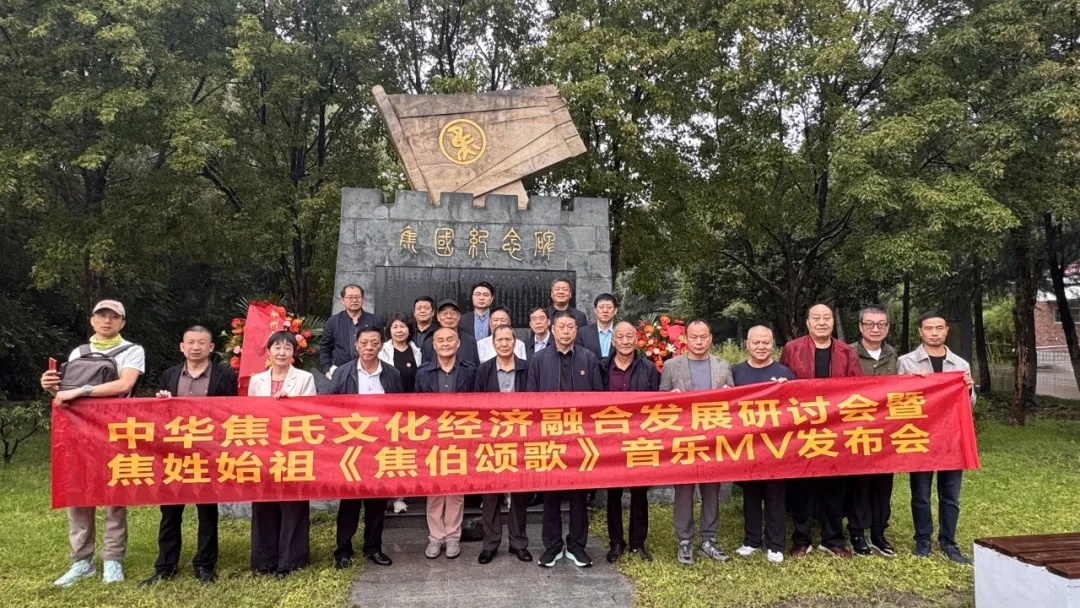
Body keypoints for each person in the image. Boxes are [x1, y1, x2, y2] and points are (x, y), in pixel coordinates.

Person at [41, 300, 145, 587]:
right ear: (92, 320)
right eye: (102, 316)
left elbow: (123, 385)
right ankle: (81, 561)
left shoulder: (132, 350)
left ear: (122, 323)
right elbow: (64, 395)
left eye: (114, 317)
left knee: (114, 494)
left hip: (115, 430)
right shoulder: (79, 353)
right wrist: (51, 387)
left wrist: (80, 390)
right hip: (78, 431)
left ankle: (113, 559)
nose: (107, 321)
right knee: (78, 493)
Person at [139, 326, 238, 587]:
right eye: (191, 342)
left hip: (209, 453)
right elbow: (160, 418)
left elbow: (234, 413)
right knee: (170, 512)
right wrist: (162, 403)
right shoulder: (170, 375)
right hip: (174, 453)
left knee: (207, 511)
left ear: (211, 347)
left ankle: (205, 565)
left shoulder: (226, 376)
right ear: (182, 347)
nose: (196, 347)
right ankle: (165, 566)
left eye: (201, 343)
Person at [779, 304, 862, 559]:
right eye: (816, 318)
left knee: (835, 486)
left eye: (827, 318)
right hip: (802, 428)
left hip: (836, 428)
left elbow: (859, 388)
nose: (822, 322)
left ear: (832, 323)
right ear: (808, 323)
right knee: (802, 486)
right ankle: (801, 539)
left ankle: (833, 539)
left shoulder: (847, 352)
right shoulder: (792, 349)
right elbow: (782, 384)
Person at [898, 311, 976, 565]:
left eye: (939, 328)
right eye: (929, 328)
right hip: (920, 437)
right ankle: (922, 540)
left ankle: (948, 541)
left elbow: (968, 406)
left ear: (946, 331)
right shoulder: (907, 363)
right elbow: (897, 402)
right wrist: (913, 385)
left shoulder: (960, 365)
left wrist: (968, 390)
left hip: (952, 438)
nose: (934, 333)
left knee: (950, 493)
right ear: (920, 332)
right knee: (920, 492)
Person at [526, 310, 604, 568]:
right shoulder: (539, 359)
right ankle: (552, 546)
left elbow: (598, 398)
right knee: (550, 493)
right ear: (553, 329)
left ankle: (577, 546)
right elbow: (531, 398)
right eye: (562, 327)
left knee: (579, 494)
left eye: (571, 327)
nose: (566, 331)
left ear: (576, 330)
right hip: (549, 435)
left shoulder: (588, 358)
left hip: (580, 436)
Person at [659, 319, 734, 565]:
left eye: (703, 337)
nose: (699, 341)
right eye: (694, 337)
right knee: (684, 490)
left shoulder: (722, 366)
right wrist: (670, 399)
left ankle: (709, 539)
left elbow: (734, 403)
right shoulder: (671, 366)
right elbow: (660, 403)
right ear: (686, 339)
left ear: (710, 338)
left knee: (712, 489)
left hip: (713, 440)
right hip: (683, 440)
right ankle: (684, 540)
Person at [329, 325, 401, 569]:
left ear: (381, 345)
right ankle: (343, 550)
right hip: (351, 447)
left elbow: (399, 409)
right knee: (350, 501)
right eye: (364, 343)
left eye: (374, 343)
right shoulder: (342, 373)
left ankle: (373, 548)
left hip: (381, 446)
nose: (369, 347)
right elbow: (330, 409)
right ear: (356, 345)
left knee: (377, 502)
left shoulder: (392, 374)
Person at [247, 331, 317, 578]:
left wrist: (291, 403)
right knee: (264, 502)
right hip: (265, 449)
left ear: (293, 353)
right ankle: (264, 560)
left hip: (293, 449)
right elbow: (250, 415)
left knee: (292, 504)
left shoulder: (305, 378)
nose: (282, 352)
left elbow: (312, 412)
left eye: (287, 347)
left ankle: (291, 560)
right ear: (269, 352)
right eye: (277, 347)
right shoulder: (256, 381)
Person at [730, 326, 794, 565]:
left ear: (773, 345)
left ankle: (775, 545)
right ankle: (752, 540)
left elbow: (795, 406)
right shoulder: (736, 372)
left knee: (776, 495)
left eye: (766, 342)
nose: (761, 347)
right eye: (756, 342)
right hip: (747, 444)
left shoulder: (784, 373)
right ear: (747, 344)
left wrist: (786, 389)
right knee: (751, 493)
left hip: (776, 445)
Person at [415, 326, 478, 560]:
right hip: (433, 438)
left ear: (458, 343)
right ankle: (435, 537)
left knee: (455, 490)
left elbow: (478, 405)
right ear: (433, 345)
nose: (445, 343)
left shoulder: (470, 371)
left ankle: (452, 536)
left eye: (450, 339)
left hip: (461, 437)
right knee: (434, 490)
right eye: (440, 340)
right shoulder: (423, 373)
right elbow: (416, 408)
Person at [600, 321, 659, 563]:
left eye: (629, 336)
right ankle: (616, 542)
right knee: (613, 493)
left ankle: (638, 543)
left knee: (639, 492)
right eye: (620, 337)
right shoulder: (602, 368)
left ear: (637, 340)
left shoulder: (649, 369)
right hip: (610, 439)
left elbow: (657, 405)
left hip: (639, 438)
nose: (625, 341)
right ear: (613, 341)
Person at [473, 325, 532, 565]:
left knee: (519, 493)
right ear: (493, 343)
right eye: (500, 340)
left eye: (508, 339)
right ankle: (490, 544)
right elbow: (474, 406)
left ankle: (518, 543)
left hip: (521, 438)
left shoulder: (527, 368)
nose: (504, 343)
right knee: (490, 494)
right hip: (491, 439)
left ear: (515, 342)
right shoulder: (483, 370)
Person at [848, 306, 899, 557]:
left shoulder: (893, 356)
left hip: (886, 431)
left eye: (881, 324)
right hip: (856, 429)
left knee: (883, 483)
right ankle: (857, 532)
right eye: (869, 324)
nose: (875, 329)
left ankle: (879, 533)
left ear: (887, 327)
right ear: (860, 327)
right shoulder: (847, 353)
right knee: (860, 483)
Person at [320, 284, 383, 377]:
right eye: (350, 297)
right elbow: (325, 348)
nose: (354, 300)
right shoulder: (333, 321)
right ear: (343, 300)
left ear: (363, 299)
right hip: (340, 372)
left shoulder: (374, 320)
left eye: (357, 297)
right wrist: (327, 370)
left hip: (369, 372)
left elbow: (382, 346)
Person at [420, 299, 479, 366]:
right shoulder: (429, 343)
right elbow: (424, 370)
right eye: (444, 313)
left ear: (458, 317)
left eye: (453, 313)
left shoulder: (470, 341)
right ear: (438, 317)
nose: (449, 317)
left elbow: (476, 368)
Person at [379, 313, 421, 393]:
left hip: (414, 397)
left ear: (409, 330)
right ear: (389, 330)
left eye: (403, 326)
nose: (399, 330)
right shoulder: (381, 351)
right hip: (390, 397)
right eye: (395, 327)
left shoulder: (417, 351)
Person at [578, 293, 618, 358]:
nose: (605, 310)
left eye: (609, 307)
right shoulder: (582, 333)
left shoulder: (622, 332)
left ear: (615, 310)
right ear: (595, 310)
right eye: (601, 307)